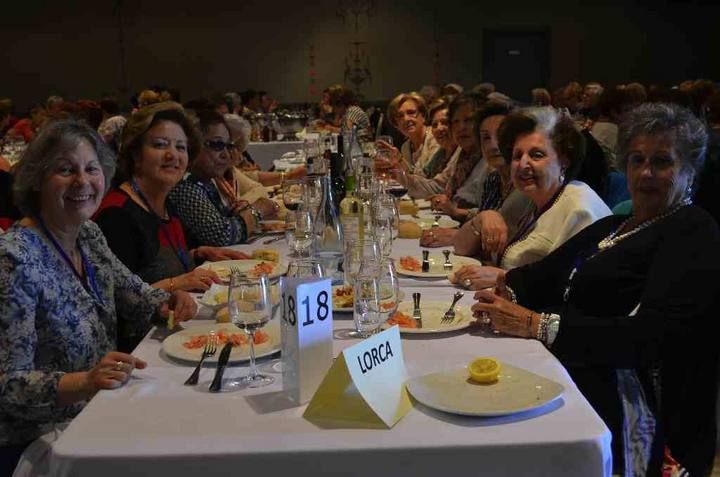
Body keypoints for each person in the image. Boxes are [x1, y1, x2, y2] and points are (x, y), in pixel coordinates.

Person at [471, 103, 719, 476]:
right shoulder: (616, 225)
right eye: (636, 160)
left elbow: (652, 338)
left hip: (639, 413)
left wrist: (536, 324)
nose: (646, 172)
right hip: (576, 375)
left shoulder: (692, 228)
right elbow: (538, 276)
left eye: (662, 161)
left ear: (689, 169)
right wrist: (500, 290)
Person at [0, 120, 196, 475]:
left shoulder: (87, 234)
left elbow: (137, 295)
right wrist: (84, 382)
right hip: (41, 442)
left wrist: (167, 302)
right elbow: (8, 385)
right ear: (36, 180)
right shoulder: (14, 259)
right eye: (64, 170)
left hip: (99, 414)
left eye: (91, 168)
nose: (82, 181)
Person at [94, 102, 251, 300]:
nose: (173, 155)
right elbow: (118, 300)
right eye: (160, 145)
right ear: (135, 153)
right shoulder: (117, 215)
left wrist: (198, 255)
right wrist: (174, 284)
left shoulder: (163, 201)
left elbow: (154, 267)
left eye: (180, 147)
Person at [452, 107, 610, 289]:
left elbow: (578, 290)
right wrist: (483, 217)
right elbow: (460, 247)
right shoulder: (527, 199)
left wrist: (506, 278)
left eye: (537, 155)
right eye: (517, 156)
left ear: (564, 161)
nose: (523, 164)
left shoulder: (580, 208)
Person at [169, 111, 279, 247]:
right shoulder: (185, 185)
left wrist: (240, 211)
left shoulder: (205, 180)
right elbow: (222, 235)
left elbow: (224, 220)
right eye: (217, 145)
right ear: (193, 145)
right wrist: (256, 210)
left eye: (228, 146)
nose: (226, 155)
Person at [426, 93, 489, 222]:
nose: (461, 127)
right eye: (456, 122)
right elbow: (438, 186)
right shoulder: (462, 154)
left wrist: (455, 211)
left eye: (469, 120)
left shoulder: (491, 158)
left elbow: (495, 213)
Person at [392, 99, 458, 198]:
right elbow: (423, 177)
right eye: (435, 125)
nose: (439, 128)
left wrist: (397, 168)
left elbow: (436, 188)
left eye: (445, 123)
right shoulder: (441, 153)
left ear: (423, 116)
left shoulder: (458, 152)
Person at [377, 92, 439, 176]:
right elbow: (409, 178)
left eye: (411, 112)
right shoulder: (406, 147)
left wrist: (400, 161)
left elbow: (427, 177)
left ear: (423, 116)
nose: (406, 119)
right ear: (396, 125)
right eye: (400, 116)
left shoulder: (435, 138)